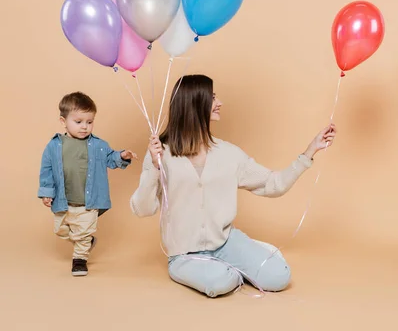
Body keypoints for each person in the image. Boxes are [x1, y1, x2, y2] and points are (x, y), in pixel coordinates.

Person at [130, 74, 337, 297]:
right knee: (220, 283)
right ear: (195, 103)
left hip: (226, 242)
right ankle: (231, 265)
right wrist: (154, 166)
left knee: (279, 277)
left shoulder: (229, 153)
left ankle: (249, 252)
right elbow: (143, 209)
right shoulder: (162, 155)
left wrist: (309, 151)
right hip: (184, 254)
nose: (219, 103)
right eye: (212, 98)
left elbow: (273, 184)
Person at [38, 92, 136, 276]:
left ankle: (80, 259)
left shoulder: (99, 145)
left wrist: (122, 156)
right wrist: (46, 192)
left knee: (83, 233)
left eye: (89, 122)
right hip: (63, 199)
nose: (85, 127)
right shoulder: (54, 146)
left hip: (89, 201)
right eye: (79, 122)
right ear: (63, 120)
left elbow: (111, 157)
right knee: (59, 229)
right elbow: (47, 170)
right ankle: (85, 240)